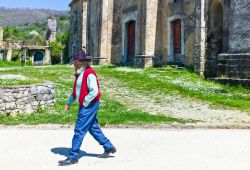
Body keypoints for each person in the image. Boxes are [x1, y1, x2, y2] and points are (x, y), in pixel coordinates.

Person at [58, 50, 116, 166]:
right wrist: (69, 102)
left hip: (89, 105)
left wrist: (85, 102)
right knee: (93, 128)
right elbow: (76, 91)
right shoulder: (80, 73)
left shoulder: (89, 73)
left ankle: (73, 156)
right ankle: (108, 146)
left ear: (81, 62)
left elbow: (94, 91)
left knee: (79, 129)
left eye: (75, 62)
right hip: (87, 105)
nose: (74, 65)